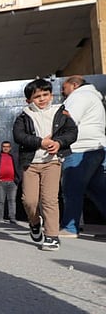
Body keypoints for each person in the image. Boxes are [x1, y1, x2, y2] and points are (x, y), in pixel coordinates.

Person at [13, 78, 77, 251]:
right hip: (30, 163)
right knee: (29, 201)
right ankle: (34, 223)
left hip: (52, 162)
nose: (42, 99)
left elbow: (72, 132)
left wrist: (59, 142)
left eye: (45, 94)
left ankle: (51, 236)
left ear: (51, 95)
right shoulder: (24, 116)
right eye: (37, 96)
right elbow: (19, 136)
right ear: (29, 100)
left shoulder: (61, 113)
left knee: (49, 200)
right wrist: (40, 142)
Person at [59, 75, 106, 238]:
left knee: (71, 189)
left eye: (64, 88)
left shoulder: (79, 96)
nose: (62, 92)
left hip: (80, 148)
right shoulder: (94, 98)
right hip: (97, 147)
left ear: (74, 85)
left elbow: (67, 120)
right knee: (99, 191)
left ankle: (70, 228)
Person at [0, 141, 21, 224]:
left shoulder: (15, 156)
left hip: (12, 182)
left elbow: (19, 167)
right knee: (0, 200)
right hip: (1, 182)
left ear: (10, 148)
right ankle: (0, 217)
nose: (6, 148)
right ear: (1, 147)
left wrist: (18, 179)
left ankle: (12, 218)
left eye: (7, 146)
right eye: (4, 146)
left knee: (12, 200)